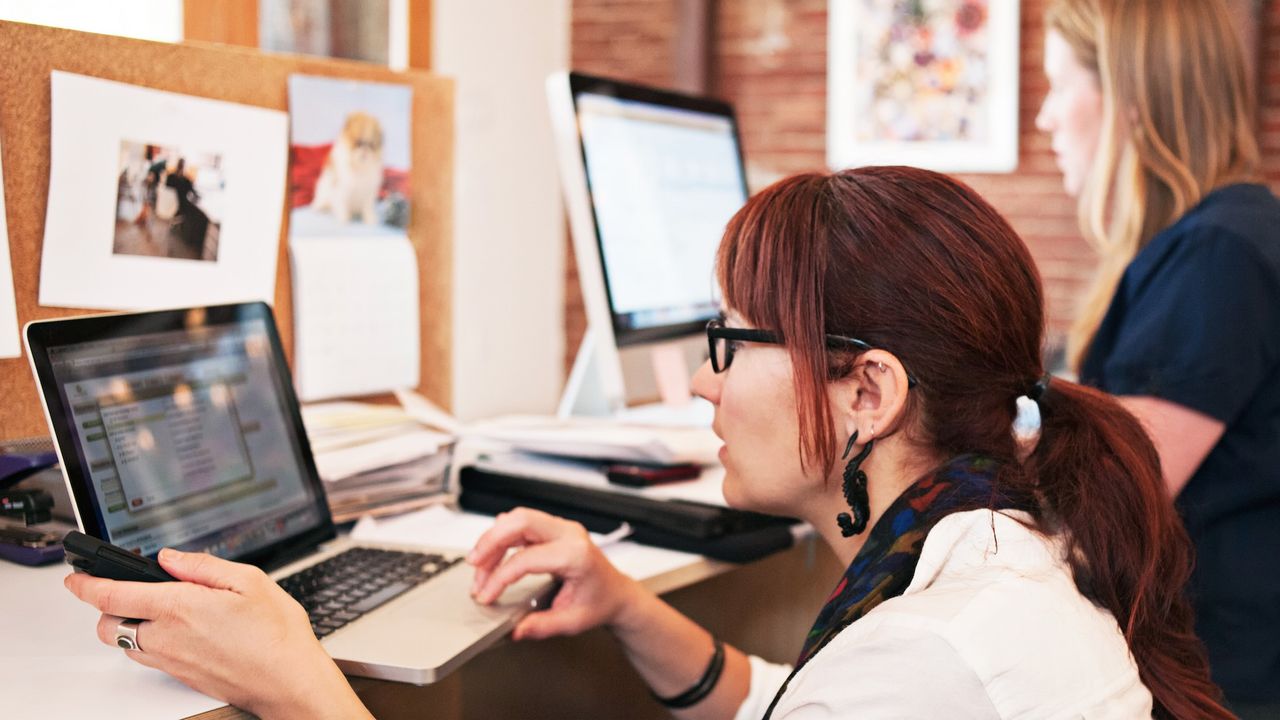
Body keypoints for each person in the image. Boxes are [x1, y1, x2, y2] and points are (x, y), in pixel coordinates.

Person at [65, 166, 1230, 719]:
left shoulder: (935, 651)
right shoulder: (996, 553)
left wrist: (299, 689)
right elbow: (810, 705)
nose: (700, 385)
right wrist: (630, 610)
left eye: (730, 344)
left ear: (865, 388)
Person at [1035, 0, 1280, 713]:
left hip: (1227, 679)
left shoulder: (1218, 255)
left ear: (1131, 96)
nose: (1046, 118)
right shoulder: (1215, 238)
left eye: (1058, 85)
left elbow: (1108, 494)